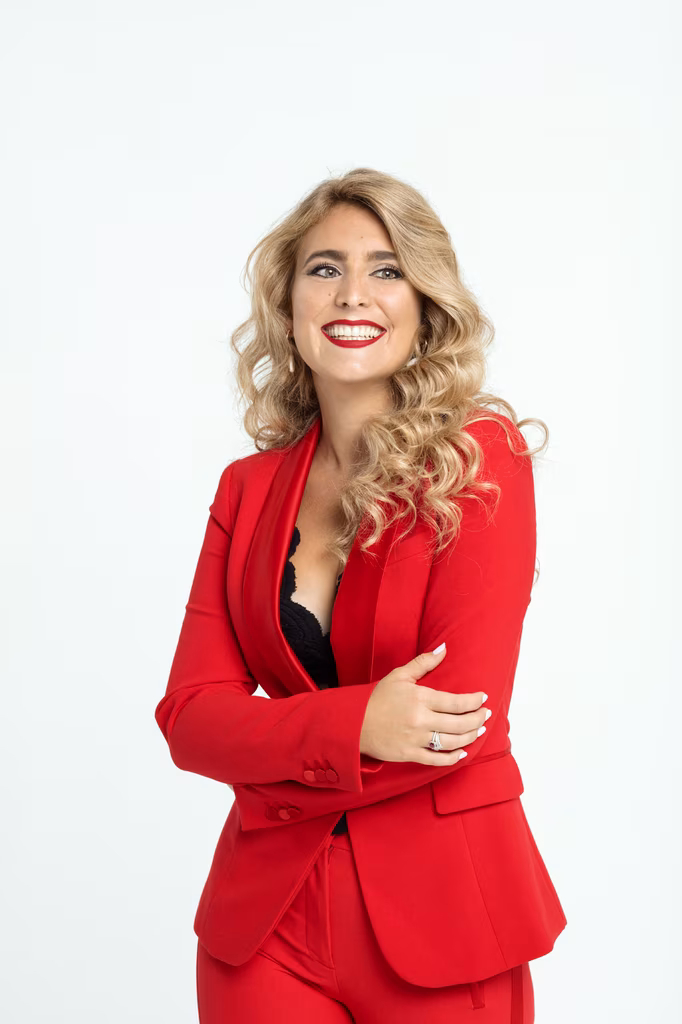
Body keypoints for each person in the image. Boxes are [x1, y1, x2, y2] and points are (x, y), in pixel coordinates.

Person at [154, 167, 567, 1023]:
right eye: (324, 269)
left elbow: (454, 723)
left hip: (445, 917)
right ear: (288, 306)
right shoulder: (246, 490)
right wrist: (358, 725)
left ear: (425, 307)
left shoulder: (479, 460)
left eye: (386, 270)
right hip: (264, 928)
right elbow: (190, 719)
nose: (353, 294)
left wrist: (265, 760)